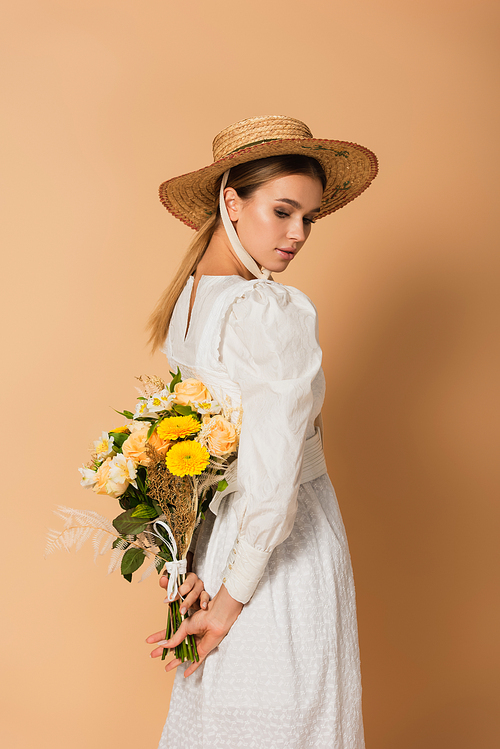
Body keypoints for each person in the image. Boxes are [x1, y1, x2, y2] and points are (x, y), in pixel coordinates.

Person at [146, 115, 378, 748]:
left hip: (228, 545)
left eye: (309, 218)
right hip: (278, 551)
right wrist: (222, 608)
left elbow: (181, 452)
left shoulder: (191, 300)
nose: (298, 233)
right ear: (231, 201)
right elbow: (271, 486)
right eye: (283, 211)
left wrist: (190, 563)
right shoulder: (264, 311)